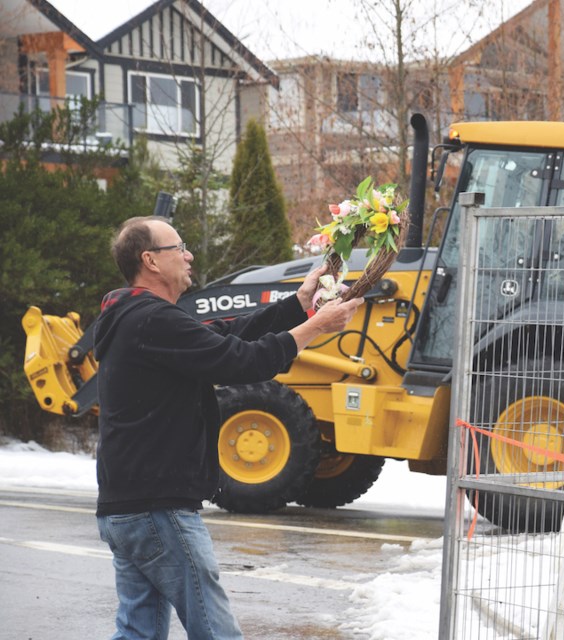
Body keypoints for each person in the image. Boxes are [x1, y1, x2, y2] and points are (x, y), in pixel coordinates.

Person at [94, 216, 363, 639]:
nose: (189, 255)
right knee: (216, 632)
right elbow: (241, 362)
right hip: (157, 509)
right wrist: (316, 326)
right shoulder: (152, 320)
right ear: (150, 260)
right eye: (178, 247)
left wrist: (299, 304)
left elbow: (225, 337)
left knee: (138, 632)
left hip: (127, 507)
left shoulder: (139, 318)